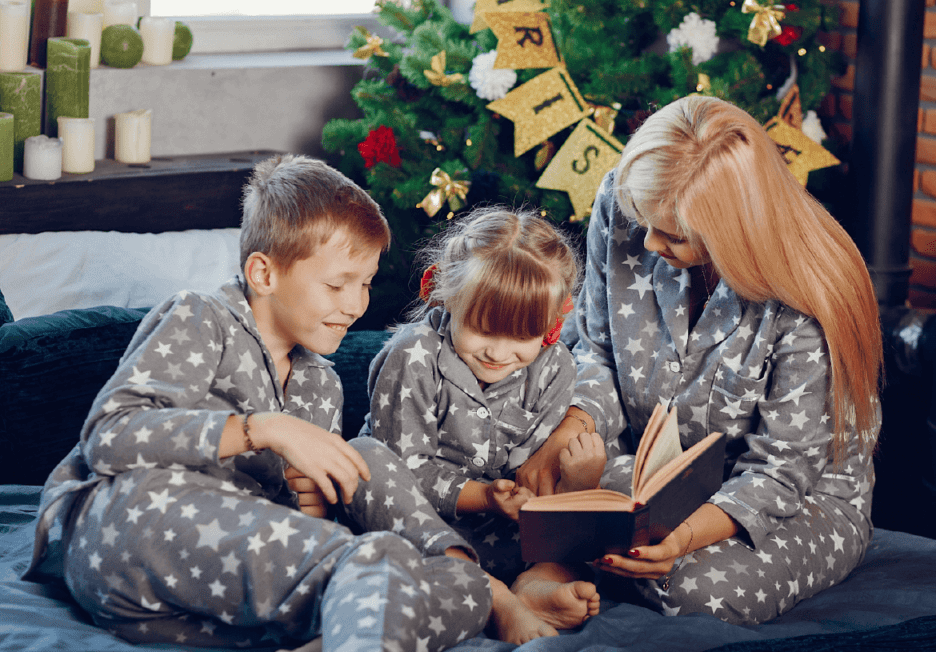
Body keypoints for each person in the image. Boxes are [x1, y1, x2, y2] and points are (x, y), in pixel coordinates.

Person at [22, 155, 493, 652]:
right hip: (128, 536)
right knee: (375, 559)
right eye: (337, 284)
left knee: (465, 588)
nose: (356, 305)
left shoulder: (320, 383)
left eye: (366, 284)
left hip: (211, 598)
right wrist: (264, 428)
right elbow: (108, 437)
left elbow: (280, 540)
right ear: (263, 273)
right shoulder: (201, 317)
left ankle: (357, 623)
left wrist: (312, 509)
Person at [516, 95, 884, 625]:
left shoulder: (811, 297)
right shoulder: (631, 200)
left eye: (674, 235)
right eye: (642, 219)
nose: (645, 241)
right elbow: (594, 349)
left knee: (698, 592)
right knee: (525, 480)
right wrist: (571, 430)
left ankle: (559, 565)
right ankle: (565, 557)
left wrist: (682, 537)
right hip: (649, 475)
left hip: (793, 500)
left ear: (736, 233)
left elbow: (781, 473)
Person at [361, 207, 603, 644]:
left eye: (523, 337)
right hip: (420, 519)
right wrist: (486, 497)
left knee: (596, 515)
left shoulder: (555, 368)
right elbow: (403, 469)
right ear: (448, 295)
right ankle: (497, 601)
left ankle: (536, 585)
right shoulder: (413, 356)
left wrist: (571, 481)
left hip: (502, 529)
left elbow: (534, 472)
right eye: (482, 329)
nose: (498, 352)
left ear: (551, 327)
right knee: (367, 464)